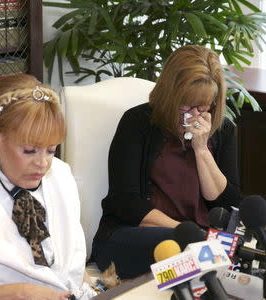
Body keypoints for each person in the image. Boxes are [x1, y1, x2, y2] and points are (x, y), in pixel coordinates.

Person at [91, 45, 241, 279]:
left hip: (196, 237)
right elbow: (125, 202)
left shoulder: (224, 131)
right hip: (130, 235)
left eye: (202, 106)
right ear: (170, 95)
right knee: (189, 252)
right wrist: (188, 232)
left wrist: (201, 149)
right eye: (186, 104)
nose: (193, 114)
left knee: (240, 252)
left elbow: (228, 204)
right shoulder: (138, 123)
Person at [0, 74, 96, 299]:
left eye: (51, 149)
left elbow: (68, 265)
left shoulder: (61, 175)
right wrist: (17, 292)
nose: (43, 163)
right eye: (29, 150)